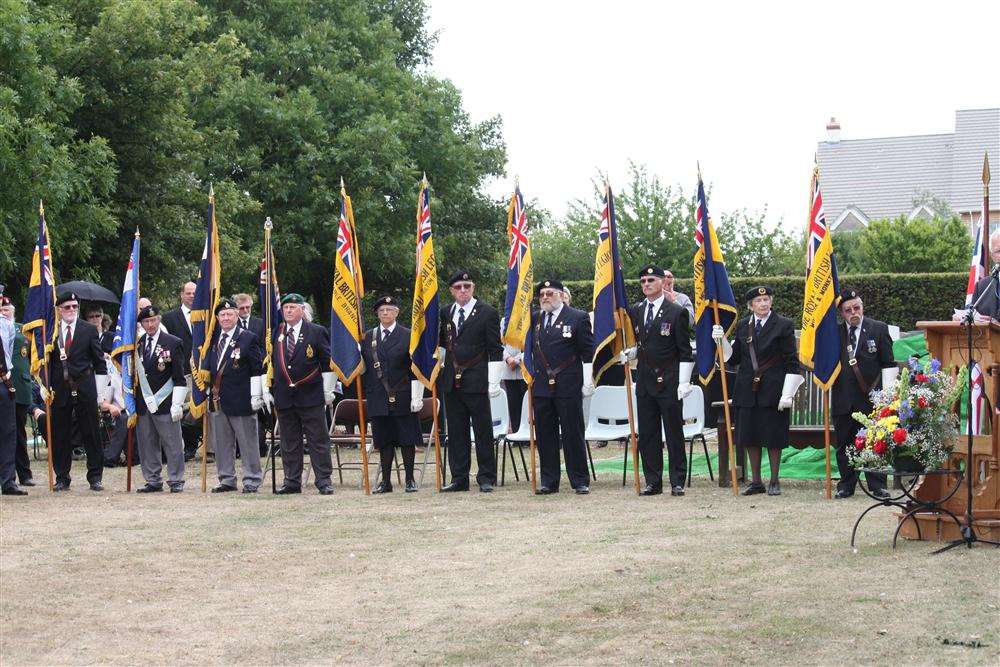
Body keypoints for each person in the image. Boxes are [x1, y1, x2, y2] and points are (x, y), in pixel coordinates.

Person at [714, 286, 801, 496]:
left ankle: (774, 479)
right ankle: (756, 481)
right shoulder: (744, 326)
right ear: (751, 305)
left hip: (772, 387)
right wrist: (721, 341)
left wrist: (787, 393)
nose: (763, 303)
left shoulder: (783, 325)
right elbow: (733, 359)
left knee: (773, 435)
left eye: (766, 299)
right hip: (747, 388)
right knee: (750, 435)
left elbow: (791, 362)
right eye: (758, 301)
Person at [624, 265, 694, 496]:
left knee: (673, 432)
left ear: (663, 282)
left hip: (669, 380)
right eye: (643, 281)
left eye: (651, 280)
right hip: (645, 379)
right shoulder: (636, 310)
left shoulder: (676, 312)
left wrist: (684, 382)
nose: (646, 285)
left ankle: (677, 481)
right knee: (648, 433)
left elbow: (685, 351)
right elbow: (641, 342)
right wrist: (631, 353)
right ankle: (653, 481)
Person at [262, 293, 336, 495]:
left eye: (293, 308)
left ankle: (323, 480)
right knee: (289, 441)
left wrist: (327, 391)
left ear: (302, 310)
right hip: (285, 395)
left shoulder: (316, 332)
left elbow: (327, 363)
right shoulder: (276, 333)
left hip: (310, 394)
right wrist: (267, 390)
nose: (288, 311)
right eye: (286, 308)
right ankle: (292, 481)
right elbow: (270, 364)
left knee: (317, 440)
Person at [437, 269, 502, 492]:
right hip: (451, 381)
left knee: (483, 430)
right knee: (456, 431)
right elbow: (442, 346)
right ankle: (459, 478)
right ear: (451, 291)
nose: (462, 290)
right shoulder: (445, 313)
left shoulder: (487, 312)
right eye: (458, 287)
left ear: (473, 288)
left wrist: (493, 381)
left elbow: (495, 349)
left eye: (467, 286)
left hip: (477, 378)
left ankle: (486, 477)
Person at [530, 279, 594, 495]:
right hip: (542, 385)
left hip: (568, 383)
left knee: (572, 432)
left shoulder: (577, 317)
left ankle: (579, 480)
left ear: (560, 294)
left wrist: (587, 381)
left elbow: (587, 352)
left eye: (550, 293)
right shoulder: (536, 318)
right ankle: (549, 481)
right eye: (542, 294)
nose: (545, 297)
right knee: (545, 434)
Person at [832, 289, 898, 499]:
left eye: (857, 307)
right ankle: (846, 485)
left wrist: (886, 398)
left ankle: (877, 484)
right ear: (842, 313)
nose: (854, 312)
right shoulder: (834, 333)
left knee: (875, 442)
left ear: (862, 307)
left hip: (871, 398)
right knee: (844, 444)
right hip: (843, 397)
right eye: (848, 310)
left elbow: (888, 363)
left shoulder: (878, 329)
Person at [45, 292, 109, 491]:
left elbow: (100, 364)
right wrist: (43, 386)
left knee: (91, 432)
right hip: (59, 389)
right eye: (67, 307)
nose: (71, 310)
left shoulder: (88, 330)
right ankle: (62, 477)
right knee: (60, 434)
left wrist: (99, 393)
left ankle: (95, 477)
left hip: (85, 386)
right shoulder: (51, 332)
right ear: (59, 310)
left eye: (74, 306)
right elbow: (45, 363)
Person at [361, 296, 423, 493]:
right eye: (381, 311)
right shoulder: (368, 337)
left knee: (406, 439)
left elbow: (416, 368)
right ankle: (385, 482)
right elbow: (363, 368)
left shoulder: (408, 335)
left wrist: (417, 396)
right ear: (377, 314)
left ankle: (410, 480)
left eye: (389, 309)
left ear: (397, 312)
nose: (385, 313)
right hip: (378, 395)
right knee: (384, 440)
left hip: (403, 393)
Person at [206, 298, 264, 493]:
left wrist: (257, 395)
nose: (226, 317)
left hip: (241, 398)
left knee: (247, 443)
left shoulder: (248, 337)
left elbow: (257, 369)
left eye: (230, 314)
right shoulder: (212, 338)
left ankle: (252, 479)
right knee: (222, 444)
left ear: (237, 315)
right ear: (217, 317)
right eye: (222, 314)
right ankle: (226, 479)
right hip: (218, 399)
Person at [134, 305, 189, 493]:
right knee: (147, 443)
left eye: (153, 320)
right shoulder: (137, 345)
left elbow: (179, 377)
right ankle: (152, 479)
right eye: (146, 321)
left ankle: (176, 479)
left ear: (159, 320)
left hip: (165, 401)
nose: (150, 324)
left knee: (172, 443)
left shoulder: (173, 342)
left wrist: (177, 403)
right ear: (142, 323)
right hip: (144, 402)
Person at [161, 282, 200, 460]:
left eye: (195, 293)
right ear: (182, 295)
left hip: (201, 371)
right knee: (182, 410)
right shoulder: (169, 318)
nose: (192, 296)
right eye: (189, 293)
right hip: (181, 371)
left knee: (197, 409)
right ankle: (186, 448)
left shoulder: (205, 316)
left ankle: (194, 446)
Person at [1, 296, 34, 486]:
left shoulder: (23, 331)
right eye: (2, 310)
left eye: (8, 310)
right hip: (2, 385)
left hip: (19, 388)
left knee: (19, 433)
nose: (4, 313)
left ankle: (25, 473)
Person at [234, 292, 269, 457]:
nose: (245, 310)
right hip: (238, 373)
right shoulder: (231, 325)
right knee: (241, 412)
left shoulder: (260, 324)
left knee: (259, 411)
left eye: (248, 307)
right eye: (241, 308)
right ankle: (240, 449)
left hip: (258, 371)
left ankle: (260, 446)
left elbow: (265, 347)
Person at [0, 285, 26, 495]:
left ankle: (8, 481)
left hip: (2, 382)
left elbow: (8, 352)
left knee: (8, 433)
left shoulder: (6, 325)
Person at [956, 230, 1000, 322]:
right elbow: (974, 318)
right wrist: (962, 320)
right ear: (992, 256)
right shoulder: (982, 286)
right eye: (998, 251)